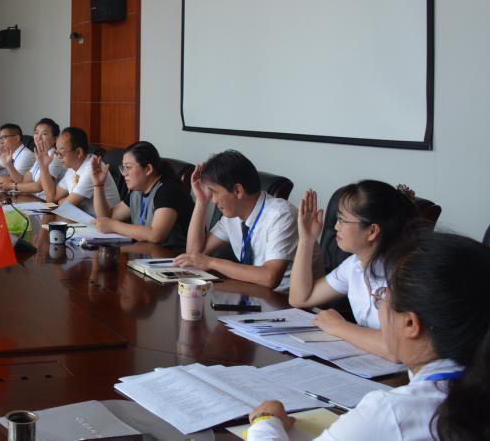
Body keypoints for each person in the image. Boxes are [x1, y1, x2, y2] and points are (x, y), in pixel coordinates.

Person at [246, 232, 490, 441]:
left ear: (410, 323)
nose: (379, 304)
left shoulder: (393, 413)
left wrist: (266, 422)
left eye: (382, 295)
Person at [289, 180, 417, 359]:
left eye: (342, 220)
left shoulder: (405, 274)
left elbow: (396, 349)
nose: (335, 226)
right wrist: (307, 240)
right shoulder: (355, 264)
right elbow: (300, 298)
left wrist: (340, 327)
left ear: (372, 231)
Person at [175, 150, 306, 291]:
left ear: (238, 191)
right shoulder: (232, 216)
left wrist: (211, 262)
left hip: (286, 298)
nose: (213, 200)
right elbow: (194, 254)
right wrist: (201, 201)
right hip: (253, 293)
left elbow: (270, 277)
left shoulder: (281, 215)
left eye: (214, 192)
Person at [89, 141, 193, 250]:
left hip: (174, 256)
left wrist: (113, 225)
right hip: (147, 253)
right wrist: (98, 185)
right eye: (123, 167)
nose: (124, 173)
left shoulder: (167, 190)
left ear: (148, 169)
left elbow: (156, 235)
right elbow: (107, 216)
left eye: (128, 167)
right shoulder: (138, 191)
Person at [37, 126, 121, 215]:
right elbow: (52, 198)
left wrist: (63, 201)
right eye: (57, 153)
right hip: (85, 218)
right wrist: (44, 167)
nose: (58, 157)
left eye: (61, 153)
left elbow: (66, 205)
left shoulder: (93, 168)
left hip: (105, 220)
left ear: (79, 152)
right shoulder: (72, 169)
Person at [0, 118, 67, 194]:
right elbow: (22, 179)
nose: (38, 137)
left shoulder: (54, 157)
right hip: (33, 199)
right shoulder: (40, 155)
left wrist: (12, 186)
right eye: (36, 133)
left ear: (54, 139)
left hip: (43, 202)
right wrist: (9, 165)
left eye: (44, 134)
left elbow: (39, 186)